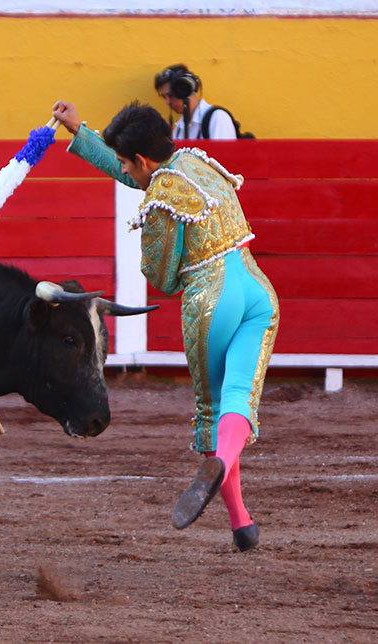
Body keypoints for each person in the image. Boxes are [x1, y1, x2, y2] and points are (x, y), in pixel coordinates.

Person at [51, 99, 279, 552]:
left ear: (141, 159)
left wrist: (174, 260)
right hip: (258, 291)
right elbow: (143, 176)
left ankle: (233, 505)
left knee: (213, 414)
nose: (124, 170)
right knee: (238, 400)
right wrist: (79, 130)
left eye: (124, 162)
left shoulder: (159, 200)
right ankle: (243, 526)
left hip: (211, 303)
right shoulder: (195, 160)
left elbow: (161, 276)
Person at [153, 64, 236, 140]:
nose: (167, 102)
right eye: (164, 97)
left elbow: (225, 155)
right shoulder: (178, 129)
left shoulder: (217, 117)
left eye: (171, 95)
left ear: (186, 89)